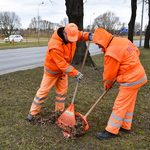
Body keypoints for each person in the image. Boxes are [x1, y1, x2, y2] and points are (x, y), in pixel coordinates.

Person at [27, 23, 92, 121]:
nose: (72, 41)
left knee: (61, 93)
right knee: (43, 92)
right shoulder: (54, 45)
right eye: (70, 39)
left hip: (62, 73)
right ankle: (33, 113)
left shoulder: (71, 34)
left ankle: (59, 112)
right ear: (64, 33)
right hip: (52, 72)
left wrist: (89, 35)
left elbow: (81, 35)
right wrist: (75, 73)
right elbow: (62, 64)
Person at [93, 28, 147, 140]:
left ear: (103, 40)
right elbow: (136, 51)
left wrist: (107, 85)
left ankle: (111, 131)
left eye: (98, 44)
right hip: (140, 76)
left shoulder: (111, 52)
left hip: (131, 80)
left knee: (120, 105)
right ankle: (126, 126)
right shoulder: (122, 40)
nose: (98, 46)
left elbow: (109, 76)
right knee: (129, 103)